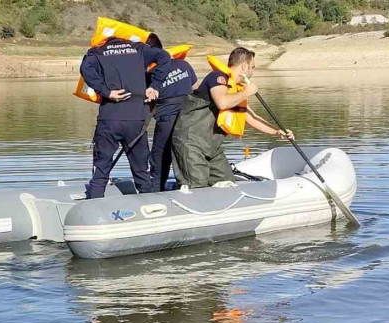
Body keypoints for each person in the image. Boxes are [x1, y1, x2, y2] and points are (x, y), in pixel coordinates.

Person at [171, 47, 294, 189]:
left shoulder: (236, 89)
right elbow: (222, 102)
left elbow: (252, 118)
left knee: (228, 182)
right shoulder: (218, 77)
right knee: (197, 186)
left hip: (212, 146)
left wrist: (278, 131)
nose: (252, 72)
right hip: (191, 143)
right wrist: (246, 92)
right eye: (252, 68)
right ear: (244, 66)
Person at [79, 36, 172, 199]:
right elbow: (164, 57)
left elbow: (85, 68)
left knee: (101, 169)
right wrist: (154, 86)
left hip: (109, 118)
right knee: (141, 171)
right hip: (135, 120)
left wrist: (105, 91)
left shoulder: (97, 51)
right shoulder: (139, 49)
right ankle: (150, 206)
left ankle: (94, 204)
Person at [145, 34, 197, 192]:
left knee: (159, 156)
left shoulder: (151, 74)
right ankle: (192, 185)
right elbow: (194, 88)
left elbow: (149, 100)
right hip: (190, 116)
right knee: (186, 152)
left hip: (167, 118)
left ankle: (155, 190)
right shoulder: (183, 64)